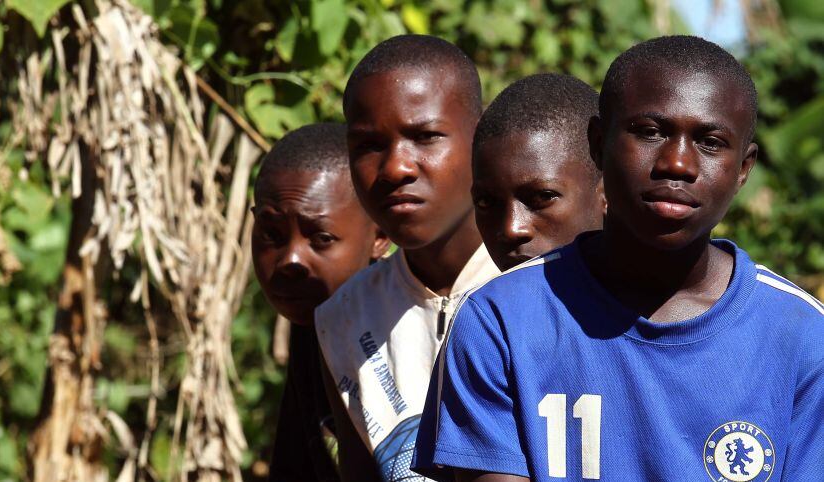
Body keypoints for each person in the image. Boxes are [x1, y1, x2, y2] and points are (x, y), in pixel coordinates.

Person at [413, 35, 824, 481]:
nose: (677, 163)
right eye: (650, 132)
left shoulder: (802, 337)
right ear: (598, 143)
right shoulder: (500, 320)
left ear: (743, 169)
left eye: (709, 142)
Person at [314, 35, 500, 482]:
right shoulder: (344, 320)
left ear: (481, 139)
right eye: (369, 145)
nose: (396, 167)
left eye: (424, 136)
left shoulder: (548, 288)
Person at [252, 123, 389, 482]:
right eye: (272, 235)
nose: (291, 260)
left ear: (380, 236)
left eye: (321, 238)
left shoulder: (408, 329)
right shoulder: (316, 325)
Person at [470, 73, 605, 271]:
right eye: (486, 203)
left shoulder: (653, 289)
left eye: (543, 197)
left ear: (608, 191)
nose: (512, 229)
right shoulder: (483, 293)